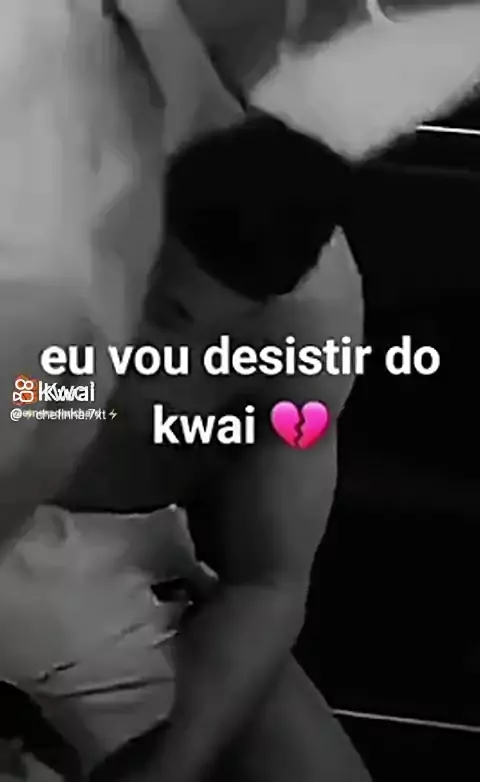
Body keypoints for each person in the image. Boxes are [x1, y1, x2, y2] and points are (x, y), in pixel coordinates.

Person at [2, 1, 480, 781]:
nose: (133, 312)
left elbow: (269, 583)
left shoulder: (311, 326)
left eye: (171, 311)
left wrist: (173, 771)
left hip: (108, 568)